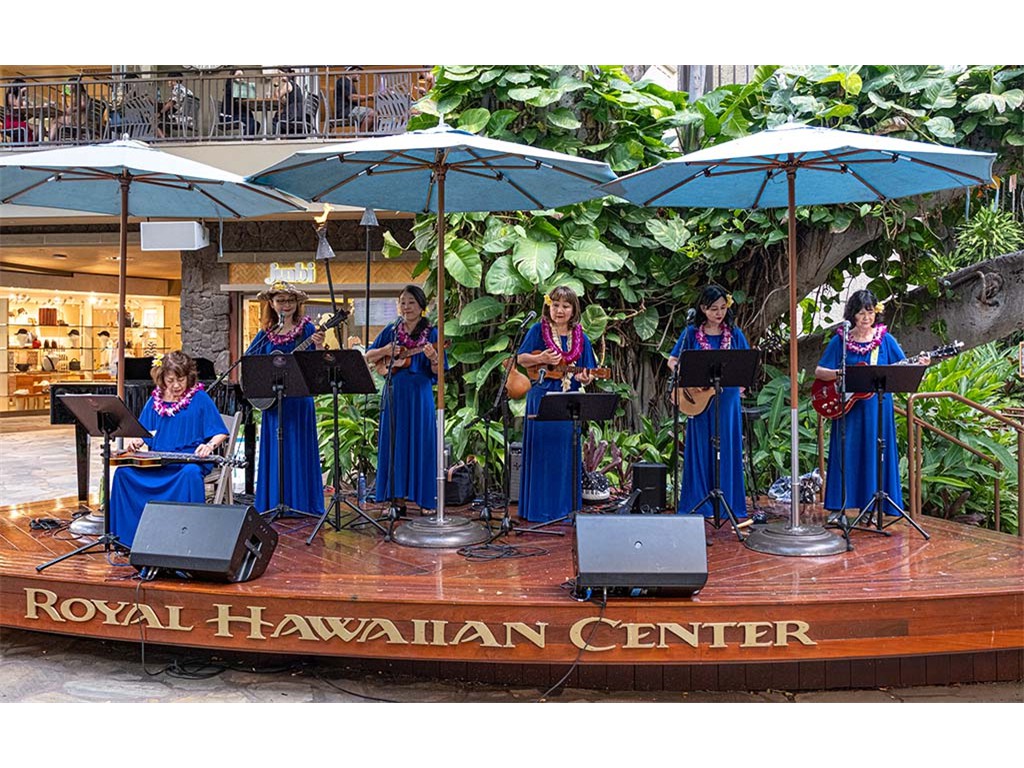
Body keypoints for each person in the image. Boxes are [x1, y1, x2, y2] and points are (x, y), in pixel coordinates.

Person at [814, 290, 927, 517]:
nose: (866, 318)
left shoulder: (885, 340)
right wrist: (841, 374)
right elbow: (819, 371)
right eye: (861, 313)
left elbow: (903, 369)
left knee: (874, 454)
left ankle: (870, 507)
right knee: (845, 453)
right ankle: (839, 506)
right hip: (848, 409)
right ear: (852, 314)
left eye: (870, 312)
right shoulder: (841, 340)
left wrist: (921, 366)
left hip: (877, 409)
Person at [109, 351, 229, 548]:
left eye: (181, 380)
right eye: (170, 380)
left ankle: (185, 542)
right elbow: (144, 431)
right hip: (158, 461)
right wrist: (137, 441)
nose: (176, 385)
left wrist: (209, 446)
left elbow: (220, 432)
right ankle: (129, 539)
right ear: (162, 378)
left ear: (189, 377)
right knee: (123, 474)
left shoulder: (200, 398)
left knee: (190, 474)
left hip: (188, 461)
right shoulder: (155, 400)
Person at [668, 285, 750, 519]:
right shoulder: (691, 333)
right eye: (714, 308)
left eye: (723, 308)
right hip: (699, 401)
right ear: (703, 308)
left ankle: (727, 503)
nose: (719, 313)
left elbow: (746, 365)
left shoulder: (735, 334)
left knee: (727, 446)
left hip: (727, 400)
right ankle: (699, 503)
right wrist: (688, 376)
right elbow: (672, 361)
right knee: (701, 447)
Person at [516, 285, 597, 523]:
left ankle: (564, 510)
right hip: (541, 397)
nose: (560, 310)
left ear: (574, 310)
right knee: (542, 452)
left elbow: (589, 372)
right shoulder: (537, 330)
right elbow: (521, 358)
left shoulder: (581, 337)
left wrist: (587, 378)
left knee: (564, 453)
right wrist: (541, 357)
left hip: (568, 401)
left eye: (566, 306)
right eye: (556, 305)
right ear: (548, 306)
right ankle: (538, 510)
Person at [245, 281, 325, 517]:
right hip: (274, 403)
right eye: (280, 300)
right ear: (271, 304)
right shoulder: (266, 334)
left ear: (297, 304)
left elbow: (317, 366)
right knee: (276, 451)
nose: (286, 305)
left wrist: (319, 346)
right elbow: (250, 363)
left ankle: (301, 504)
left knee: (298, 450)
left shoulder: (308, 330)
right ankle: (274, 502)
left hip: (299, 401)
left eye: (290, 300)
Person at [362, 285, 444, 514]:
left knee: (422, 443)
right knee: (394, 443)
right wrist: (386, 350)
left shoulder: (433, 333)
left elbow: (438, 371)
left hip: (420, 396)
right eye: (403, 302)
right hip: (394, 394)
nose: (406, 307)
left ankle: (426, 500)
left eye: (411, 302)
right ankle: (396, 500)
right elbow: (368, 355)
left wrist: (434, 357)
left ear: (421, 306)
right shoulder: (391, 330)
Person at [334, 66, 374, 132]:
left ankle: (365, 134)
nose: (360, 74)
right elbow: (352, 97)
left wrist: (370, 97)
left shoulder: (349, 82)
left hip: (350, 110)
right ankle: (362, 136)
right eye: (357, 71)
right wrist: (369, 97)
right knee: (371, 113)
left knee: (373, 114)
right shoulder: (343, 81)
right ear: (350, 71)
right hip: (346, 111)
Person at [3, 78, 34, 143]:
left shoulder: (18, 96)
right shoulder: (10, 95)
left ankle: (32, 144)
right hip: (10, 122)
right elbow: (17, 105)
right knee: (35, 128)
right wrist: (21, 92)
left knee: (39, 128)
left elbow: (23, 106)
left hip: (18, 121)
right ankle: (30, 145)